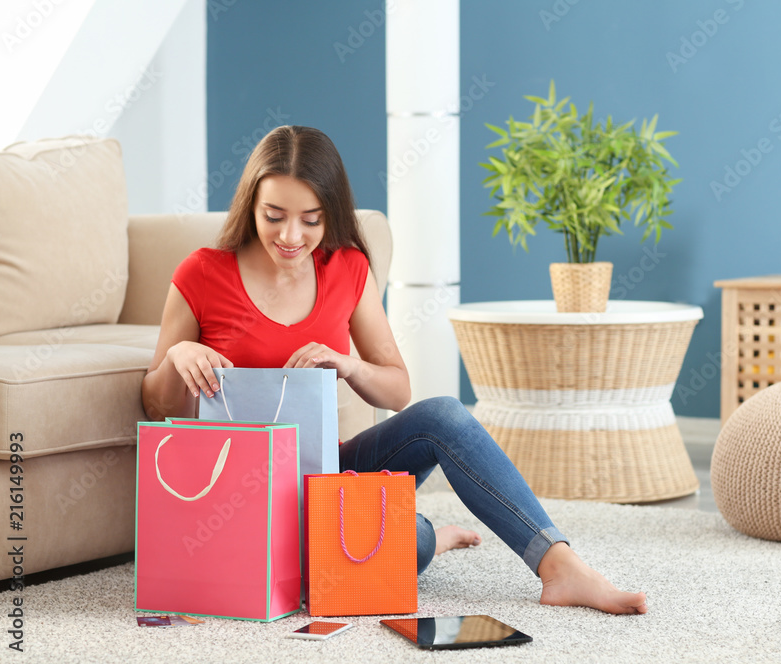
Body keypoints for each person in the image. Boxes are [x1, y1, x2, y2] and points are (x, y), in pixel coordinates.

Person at [141, 125, 648, 615]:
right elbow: (157, 406)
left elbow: (398, 390)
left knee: (445, 415)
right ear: (250, 204)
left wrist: (346, 364)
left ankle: (560, 567)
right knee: (416, 538)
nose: (291, 235)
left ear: (330, 215)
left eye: (311, 220)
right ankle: (431, 535)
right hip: (236, 502)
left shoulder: (348, 268)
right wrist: (177, 355)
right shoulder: (203, 273)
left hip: (326, 481)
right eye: (273, 215)